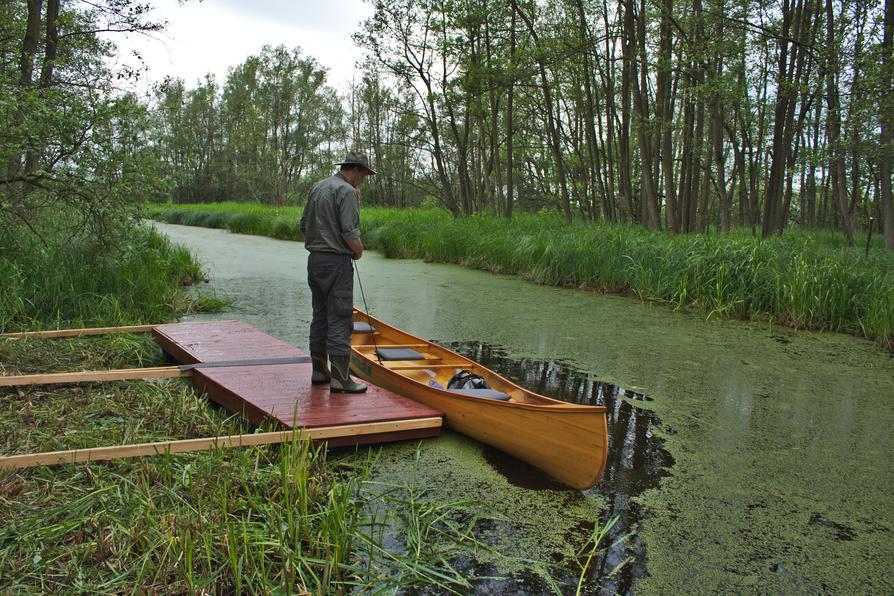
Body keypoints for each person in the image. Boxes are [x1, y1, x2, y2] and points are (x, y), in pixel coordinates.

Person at [299, 149, 375, 393]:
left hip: (315, 261)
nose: (363, 180)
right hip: (337, 264)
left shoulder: (317, 187)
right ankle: (341, 379)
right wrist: (358, 252)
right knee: (340, 318)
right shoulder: (347, 191)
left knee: (319, 316)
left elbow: (303, 224)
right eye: (363, 175)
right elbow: (350, 233)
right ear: (355, 170)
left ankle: (319, 371)